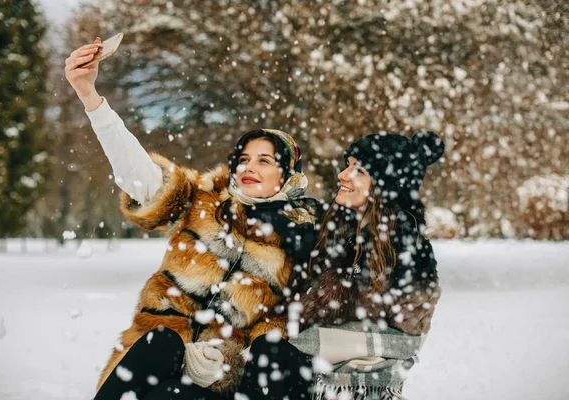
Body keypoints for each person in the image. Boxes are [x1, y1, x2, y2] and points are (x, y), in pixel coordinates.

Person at [64, 39, 318, 399]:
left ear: (288, 173)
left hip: (226, 381)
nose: (249, 167)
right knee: (163, 340)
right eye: (244, 158)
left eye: (265, 160)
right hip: (157, 365)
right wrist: (91, 98)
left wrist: (231, 357)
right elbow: (137, 174)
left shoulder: (302, 236)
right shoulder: (201, 200)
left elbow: (289, 327)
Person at [236, 131, 445, 400]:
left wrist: (306, 338)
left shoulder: (403, 245)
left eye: (357, 170)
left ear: (384, 184)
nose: (342, 175)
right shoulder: (340, 230)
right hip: (315, 364)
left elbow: (405, 334)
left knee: (270, 350)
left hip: (353, 377)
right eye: (347, 165)